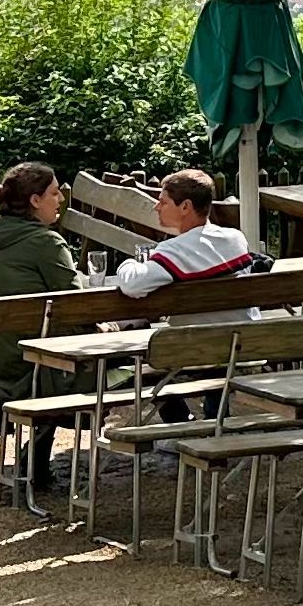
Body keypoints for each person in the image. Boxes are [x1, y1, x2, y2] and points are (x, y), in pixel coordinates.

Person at [0, 162, 80, 488]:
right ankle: (180, 425)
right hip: (21, 370)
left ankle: (36, 461)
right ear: (35, 200)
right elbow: (77, 305)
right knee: (119, 356)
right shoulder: (45, 243)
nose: (60, 199)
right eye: (54, 193)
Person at [116, 168, 253, 422]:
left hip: (194, 348)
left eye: (163, 201)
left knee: (142, 353)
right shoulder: (235, 239)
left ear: (185, 207)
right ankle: (213, 419)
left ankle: (179, 421)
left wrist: (127, 264)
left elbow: (133, 285)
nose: (156, 207)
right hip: (243, 343)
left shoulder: (176, 250)